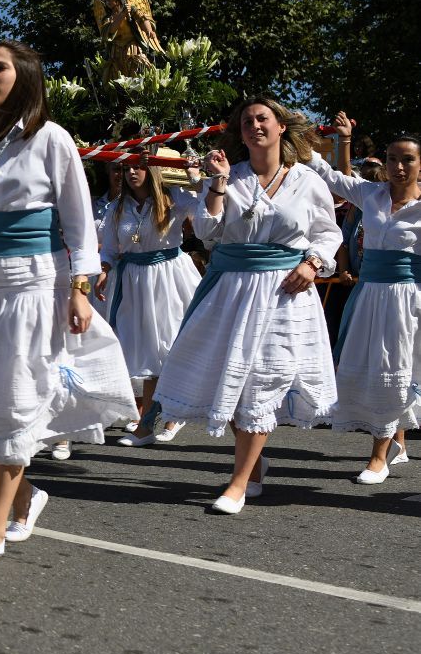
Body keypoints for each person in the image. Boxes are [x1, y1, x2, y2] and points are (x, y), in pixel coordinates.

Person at [0, 40, 135, 564]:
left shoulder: (51, 138)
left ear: (23, 76)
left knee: (17, 398)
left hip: (35, 284)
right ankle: (26, 497)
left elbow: (79, 223)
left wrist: (80, 290)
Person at [150, 97, 342, 513]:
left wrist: (312, 263)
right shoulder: (229, 176)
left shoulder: (307, 180)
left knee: (262, 380)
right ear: (239, 133)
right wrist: (216, 183)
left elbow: (328, 233)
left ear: (280, 128)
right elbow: (205, 230)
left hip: (285, 290)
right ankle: (252, 466)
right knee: (231, 382)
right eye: (247, 122)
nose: (254, 125)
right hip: (231, 289)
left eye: (263, 119)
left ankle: (237, 483)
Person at [306, 116, 420, 484]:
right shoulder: (371, 195)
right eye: (391, 159)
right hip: (369, 297)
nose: (398, 167)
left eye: (407, 159)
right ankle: (391, 447)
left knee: (395, 372)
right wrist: (303, 138)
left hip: (407, 302)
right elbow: (329, 175)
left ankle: (378, 457)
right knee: (375, 370)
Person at [95, 154, 204, 446]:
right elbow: (108, 248)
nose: (131, 172)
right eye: (126, 167)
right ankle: (151, 423)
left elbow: (207, 212)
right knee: (147, 352)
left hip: (169, 278)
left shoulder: (174, 198)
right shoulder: (118, 207)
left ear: (152, 169)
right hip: (133, 281)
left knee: (168, 347)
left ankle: (163, 420)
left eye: (138, 166)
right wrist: (104, 271)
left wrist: (197, 179)